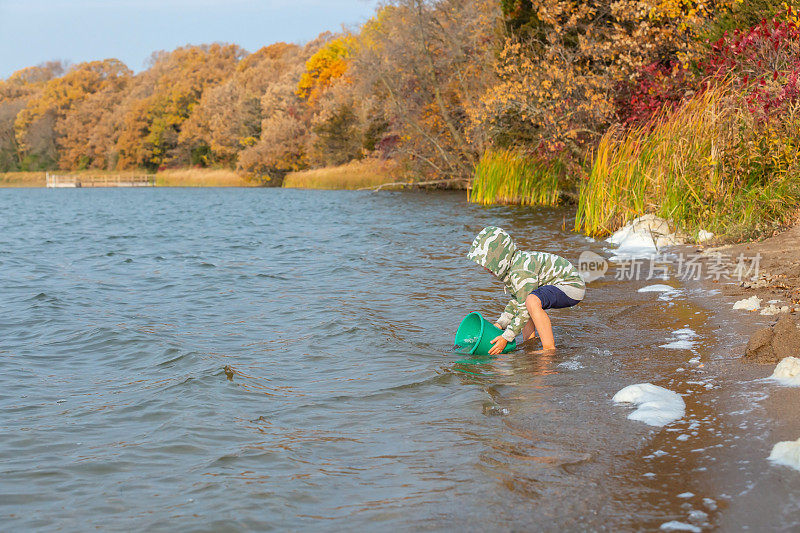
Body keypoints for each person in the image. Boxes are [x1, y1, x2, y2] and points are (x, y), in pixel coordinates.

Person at [467, 226, 585, 354]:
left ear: (500, 257)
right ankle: (530, 344)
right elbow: (517, 302)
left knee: (531, 301)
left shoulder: (520, 270)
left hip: (571, 286)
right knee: (526, 302)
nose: (485, 268)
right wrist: (500, 325)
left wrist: (506, 338)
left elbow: (523, 305)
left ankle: (549, 350)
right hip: (561, 285)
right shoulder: (512, 267)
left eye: (488, 262)